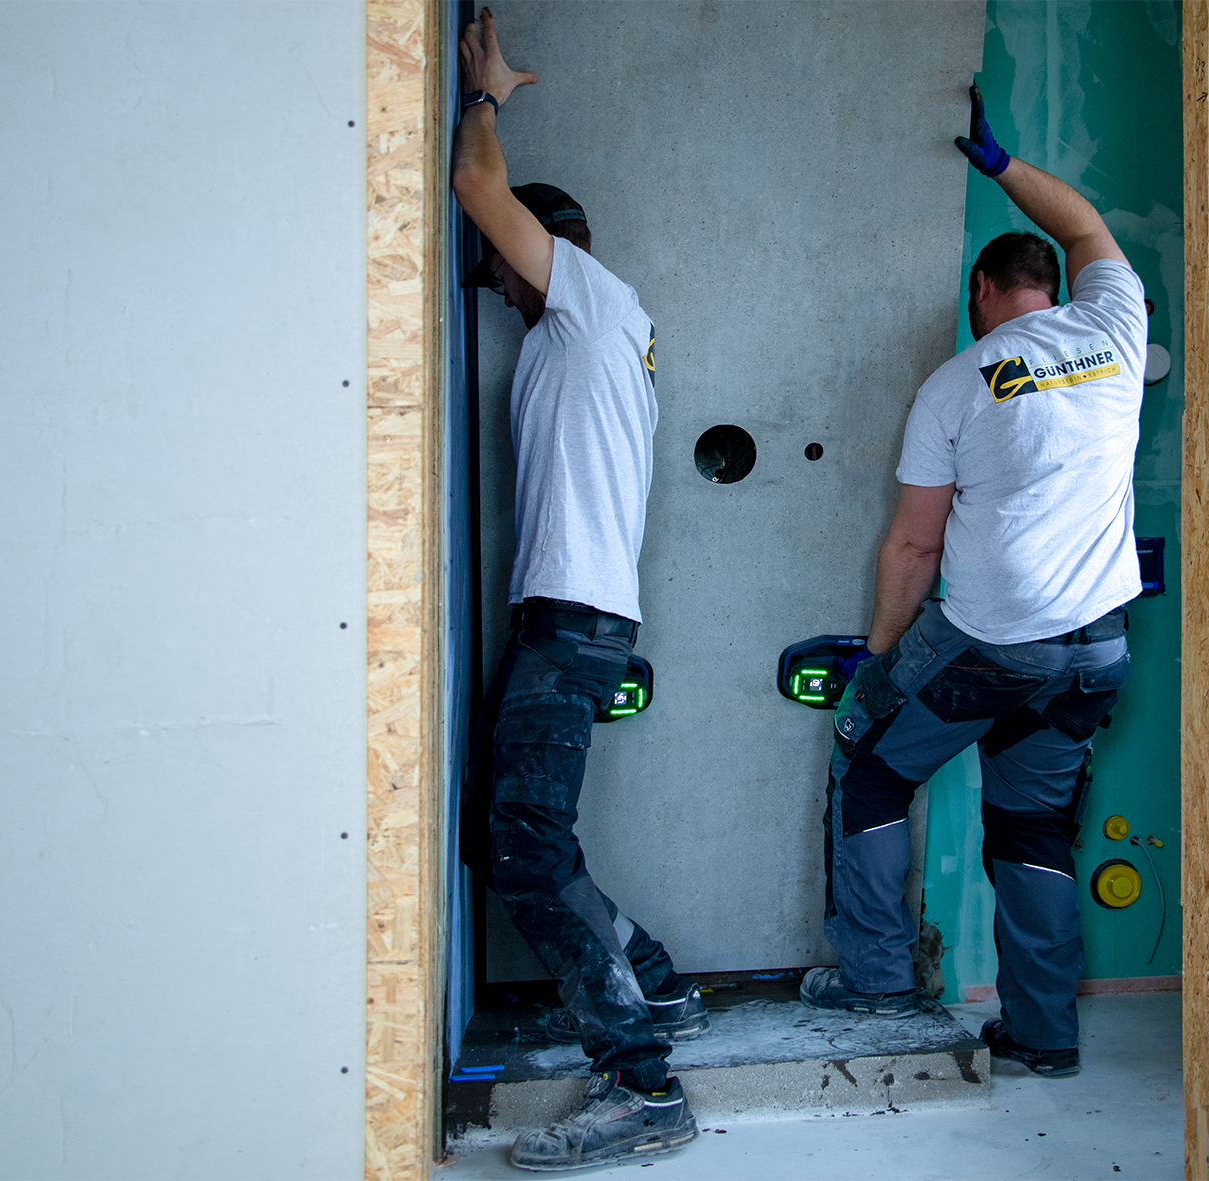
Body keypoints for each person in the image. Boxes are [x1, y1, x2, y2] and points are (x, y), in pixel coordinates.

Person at [799, 86, 1146, 1080]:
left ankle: (872, 975)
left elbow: (913, 545)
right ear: (1057, 289)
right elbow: (1080, 220)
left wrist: (874, 658)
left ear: (984, 292)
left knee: (870, 761)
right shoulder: (1116, 329)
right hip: (1097, 648)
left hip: (992, 641)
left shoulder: (957, 381)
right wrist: (1001, 167)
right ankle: (1041, 1033)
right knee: (1030, 825)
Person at [450, 9, 701, 1170]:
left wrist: (486, 98)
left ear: (544, 249)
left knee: (526, 847)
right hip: (570, 615)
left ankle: (642, 1085)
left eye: (498, 267)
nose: (490, 287)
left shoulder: (591, 298)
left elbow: (475, 189)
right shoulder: (588, 330)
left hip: (573, 620)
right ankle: (647, 977)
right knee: (512, 836)